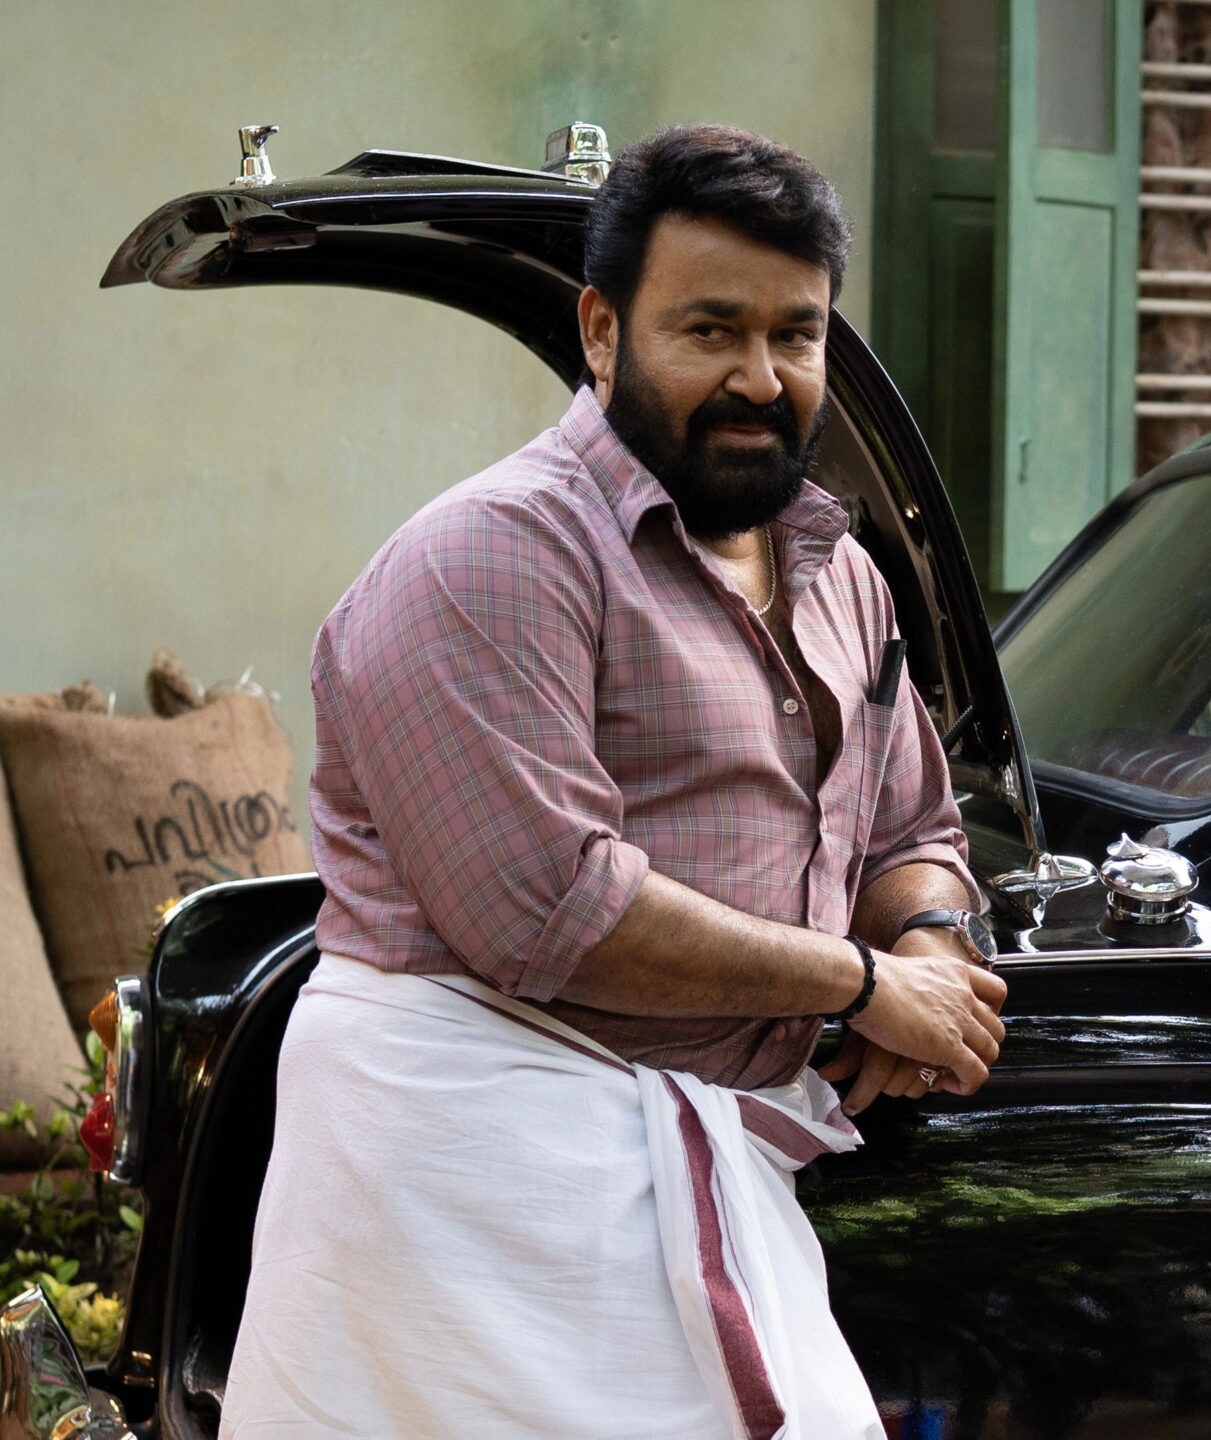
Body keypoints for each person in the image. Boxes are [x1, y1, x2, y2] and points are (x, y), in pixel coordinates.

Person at [221, 126, 1009, 1440]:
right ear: (602, 331)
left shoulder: (845, 577)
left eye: (797, 335)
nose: (760, 377)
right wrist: (865, 986)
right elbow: (553, 911)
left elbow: (911, 827)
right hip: (464, 1199)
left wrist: (926, 939)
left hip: (707, 1165)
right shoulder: (489, 557)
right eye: (711, 331)